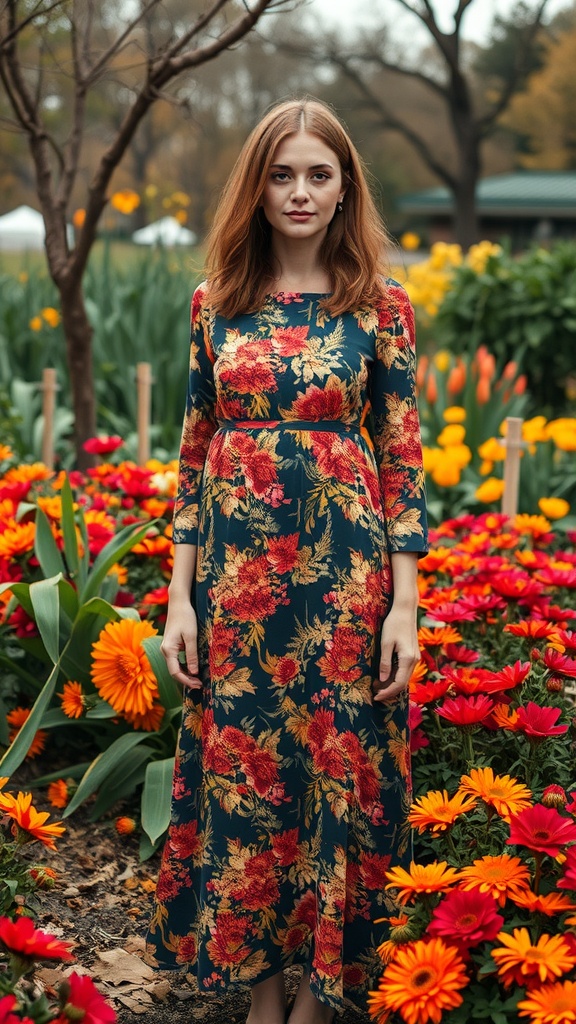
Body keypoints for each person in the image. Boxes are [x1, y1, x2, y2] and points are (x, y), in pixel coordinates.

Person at [147, 97, 428, 1024]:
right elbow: (192, 455)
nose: (299, 192)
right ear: (256, 187)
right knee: (242, 778)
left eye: (318, 174)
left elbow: (403, 461)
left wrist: (404, 607)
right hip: (233, 587)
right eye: (281, 174)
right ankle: (264, 998)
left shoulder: (382, 307)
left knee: (329, 771)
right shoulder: (215, 304)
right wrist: (179, 596)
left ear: (345, 186)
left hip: (344, 585)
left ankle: (316, 1002)